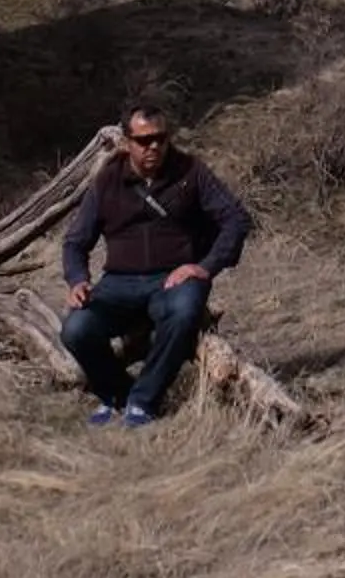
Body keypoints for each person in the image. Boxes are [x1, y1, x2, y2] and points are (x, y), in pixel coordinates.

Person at [59, 104, 252, 430]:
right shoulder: (107, 180)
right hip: (119, 282)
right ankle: (117, 395)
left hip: (174, 277)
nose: (154, 147)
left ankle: (143, 402)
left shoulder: (191, 171)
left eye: (161, 138)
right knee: (76, 329)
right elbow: (75, 242)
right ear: (126, 142)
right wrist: (78, 280)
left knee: (183, 313)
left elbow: (236, 219)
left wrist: (206, 267)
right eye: (144, 140)